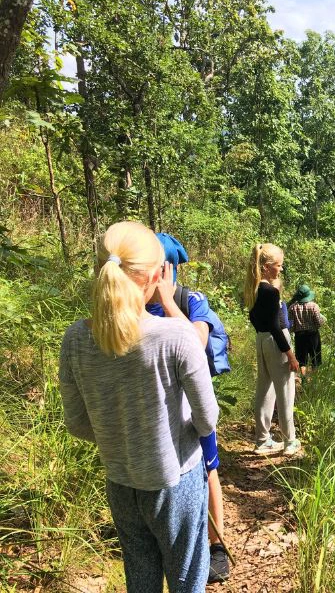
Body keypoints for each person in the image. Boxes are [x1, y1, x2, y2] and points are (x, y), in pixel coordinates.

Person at [58, 221, 218, 592]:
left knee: (140, 579)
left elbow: (77, 424)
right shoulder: (176, 336)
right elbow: (207, 419)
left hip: (120, 481)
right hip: (175, 480)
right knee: (187, 580)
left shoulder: (76, 339)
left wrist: (123, 441)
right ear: (155, 276)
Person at [146, 233, 231, 584]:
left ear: (166, 269)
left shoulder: (190, 299)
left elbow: (196, 342)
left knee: (207, 468)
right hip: (152, 409)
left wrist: (168, 303)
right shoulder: (128, 303)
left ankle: (216, 545)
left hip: (192, 407)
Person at [244, 243, 301, 456]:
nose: (281, 269)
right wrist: (291, 355)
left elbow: (254, 318)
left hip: (261, 339)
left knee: (265, 389)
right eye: (279, 265)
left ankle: (262, 440)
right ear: (267, 267)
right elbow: (277, 327)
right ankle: (290, 442)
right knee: (286, 391)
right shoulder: (269, 292)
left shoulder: (254, 288)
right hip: (276, 341)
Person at [288, 284, 326, 377]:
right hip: (313, 335)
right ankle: (314, 380)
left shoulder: (292, 307)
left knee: (301, 360)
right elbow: (318, 323)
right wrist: (323, 319)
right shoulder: (314, 306)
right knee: (315, 359)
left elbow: (291, 326)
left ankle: (303, 380)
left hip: (299, 336)